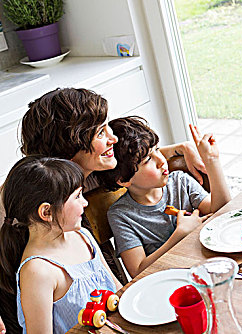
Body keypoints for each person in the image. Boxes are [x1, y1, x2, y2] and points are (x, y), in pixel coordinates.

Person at [0, 87, 206, 333]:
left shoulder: (90, 173)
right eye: (99, 132)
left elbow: (134, 159)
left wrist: (178, 149)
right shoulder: (19, 198)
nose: (113, 138)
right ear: (68, 149)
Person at [0, 156, 122, 333]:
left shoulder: (82, 236)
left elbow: (116, 290)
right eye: (77, 196)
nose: (85, 202)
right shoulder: (38, 271)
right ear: (46, 211)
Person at [96, 116, 231, 278]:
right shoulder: (121, 215)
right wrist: (180, 234)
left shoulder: (180, 182)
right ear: (124, 180)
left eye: (158, 150)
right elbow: (137, 271)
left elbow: (222, 210)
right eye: (147, 160)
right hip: (166, 282)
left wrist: (212, 161)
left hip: (205, 268)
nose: (162, 161)